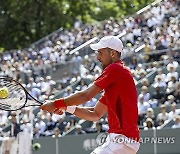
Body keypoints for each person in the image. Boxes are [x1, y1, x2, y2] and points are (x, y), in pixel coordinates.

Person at [40, 36, 140, 154]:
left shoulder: (115, 68)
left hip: (121, 140)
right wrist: (66, 107)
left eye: (100, 53)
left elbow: (86, 96)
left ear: (113, 53)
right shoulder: (118, 78)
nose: (98, 57)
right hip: (123, 141)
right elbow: (95, 114)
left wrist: (55, 103)